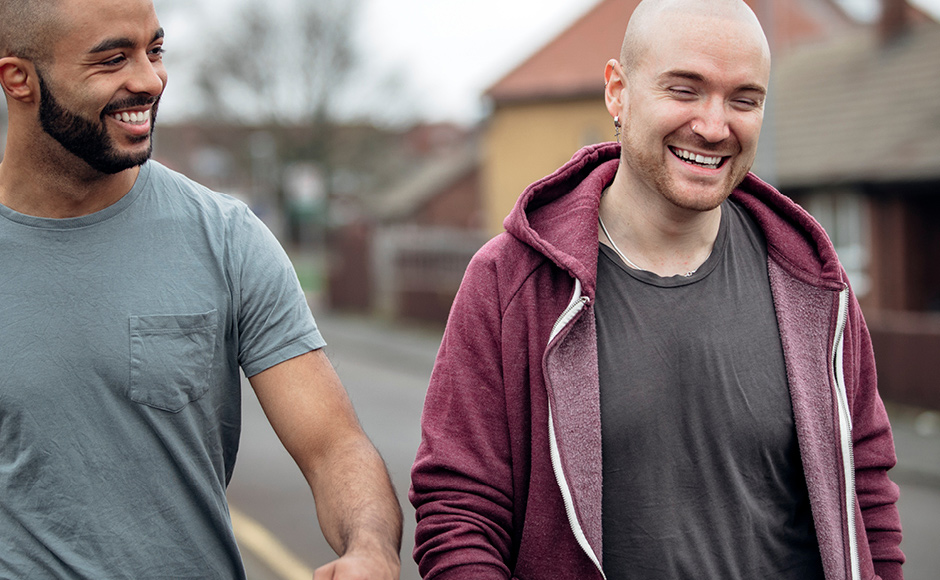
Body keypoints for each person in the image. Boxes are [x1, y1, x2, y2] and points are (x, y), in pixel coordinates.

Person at [410, 0, 904, 578]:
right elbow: (459, 511)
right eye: (685, 89)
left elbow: (864, 488)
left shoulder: (814, 284)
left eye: (744, 99)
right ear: (617, 91)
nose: (715, 126)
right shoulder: (509, 282)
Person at [0, 0, 402, 578]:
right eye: (112, 59)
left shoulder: (227, 240)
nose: (149, 80)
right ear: (20, 80)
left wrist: (370, 547)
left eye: (154, 50)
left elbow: (333, 445)